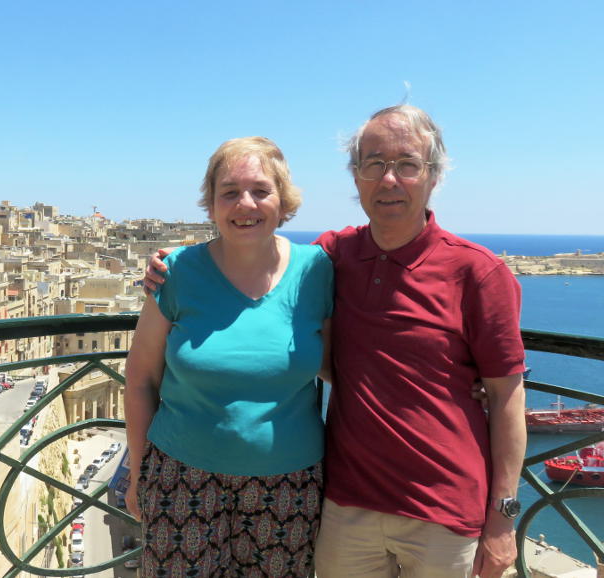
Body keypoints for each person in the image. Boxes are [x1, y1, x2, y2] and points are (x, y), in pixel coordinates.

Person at [145, 106, 527, 578]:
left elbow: (508, 396)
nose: (389, 179)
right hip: (347, 504)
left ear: (433, 176)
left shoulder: (478, 272)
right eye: (374, 163)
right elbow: (287, 310)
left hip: (443, 511)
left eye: (407, 164)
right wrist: (168, 262)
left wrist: (503, 518)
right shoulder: (331, 258)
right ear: (356, 176)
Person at [125, 136, 334, 577]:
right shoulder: (176, 271)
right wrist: (138, 472)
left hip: (290, 487)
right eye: (230, 192)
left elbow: (344, 365)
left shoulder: (317, 271)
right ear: (212, 203)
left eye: (261, 190)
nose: (246, 204)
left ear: (283, 200)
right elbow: (141, 377)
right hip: (180, 480)